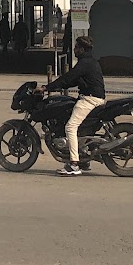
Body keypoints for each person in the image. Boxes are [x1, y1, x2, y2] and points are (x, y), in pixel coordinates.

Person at [40, 35, 105, 176]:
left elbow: (68, 77)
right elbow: (72, 81)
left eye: (76, 47)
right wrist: (57, 86)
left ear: (82, 49)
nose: (74, 50)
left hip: (89, 99)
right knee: (77, 125)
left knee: (70, 127)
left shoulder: (84, 63)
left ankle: (74, 164)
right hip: (93, 98)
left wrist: (46, 87)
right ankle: (83, 159)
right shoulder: (90, 61)